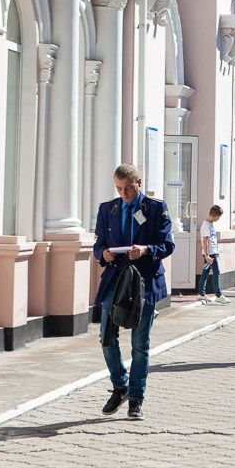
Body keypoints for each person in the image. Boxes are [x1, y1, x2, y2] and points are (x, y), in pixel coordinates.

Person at [92, 164, 175, 420]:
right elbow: (99, 244)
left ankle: (136, 398)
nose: (124, 194)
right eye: (119, 189)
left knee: (140, 344)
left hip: (143, 281)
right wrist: (102, 254)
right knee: (106, 338)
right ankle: (121, 385)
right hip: (115, 279)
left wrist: (147, 249)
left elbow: (167, 244)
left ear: (138, 182)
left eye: (128, 188)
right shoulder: (109, 209)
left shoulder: (155, 208)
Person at [198, 205, 228, 304]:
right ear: (215, 216)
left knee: (205, 273)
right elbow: (205, 241)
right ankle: (218, 295)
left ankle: (201, 293)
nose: (219, 219)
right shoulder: (206, 226)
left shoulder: (209, 224)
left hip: (212, 253)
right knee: (216, 272)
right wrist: (207, 256)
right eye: (219, 217)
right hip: (210, 254)